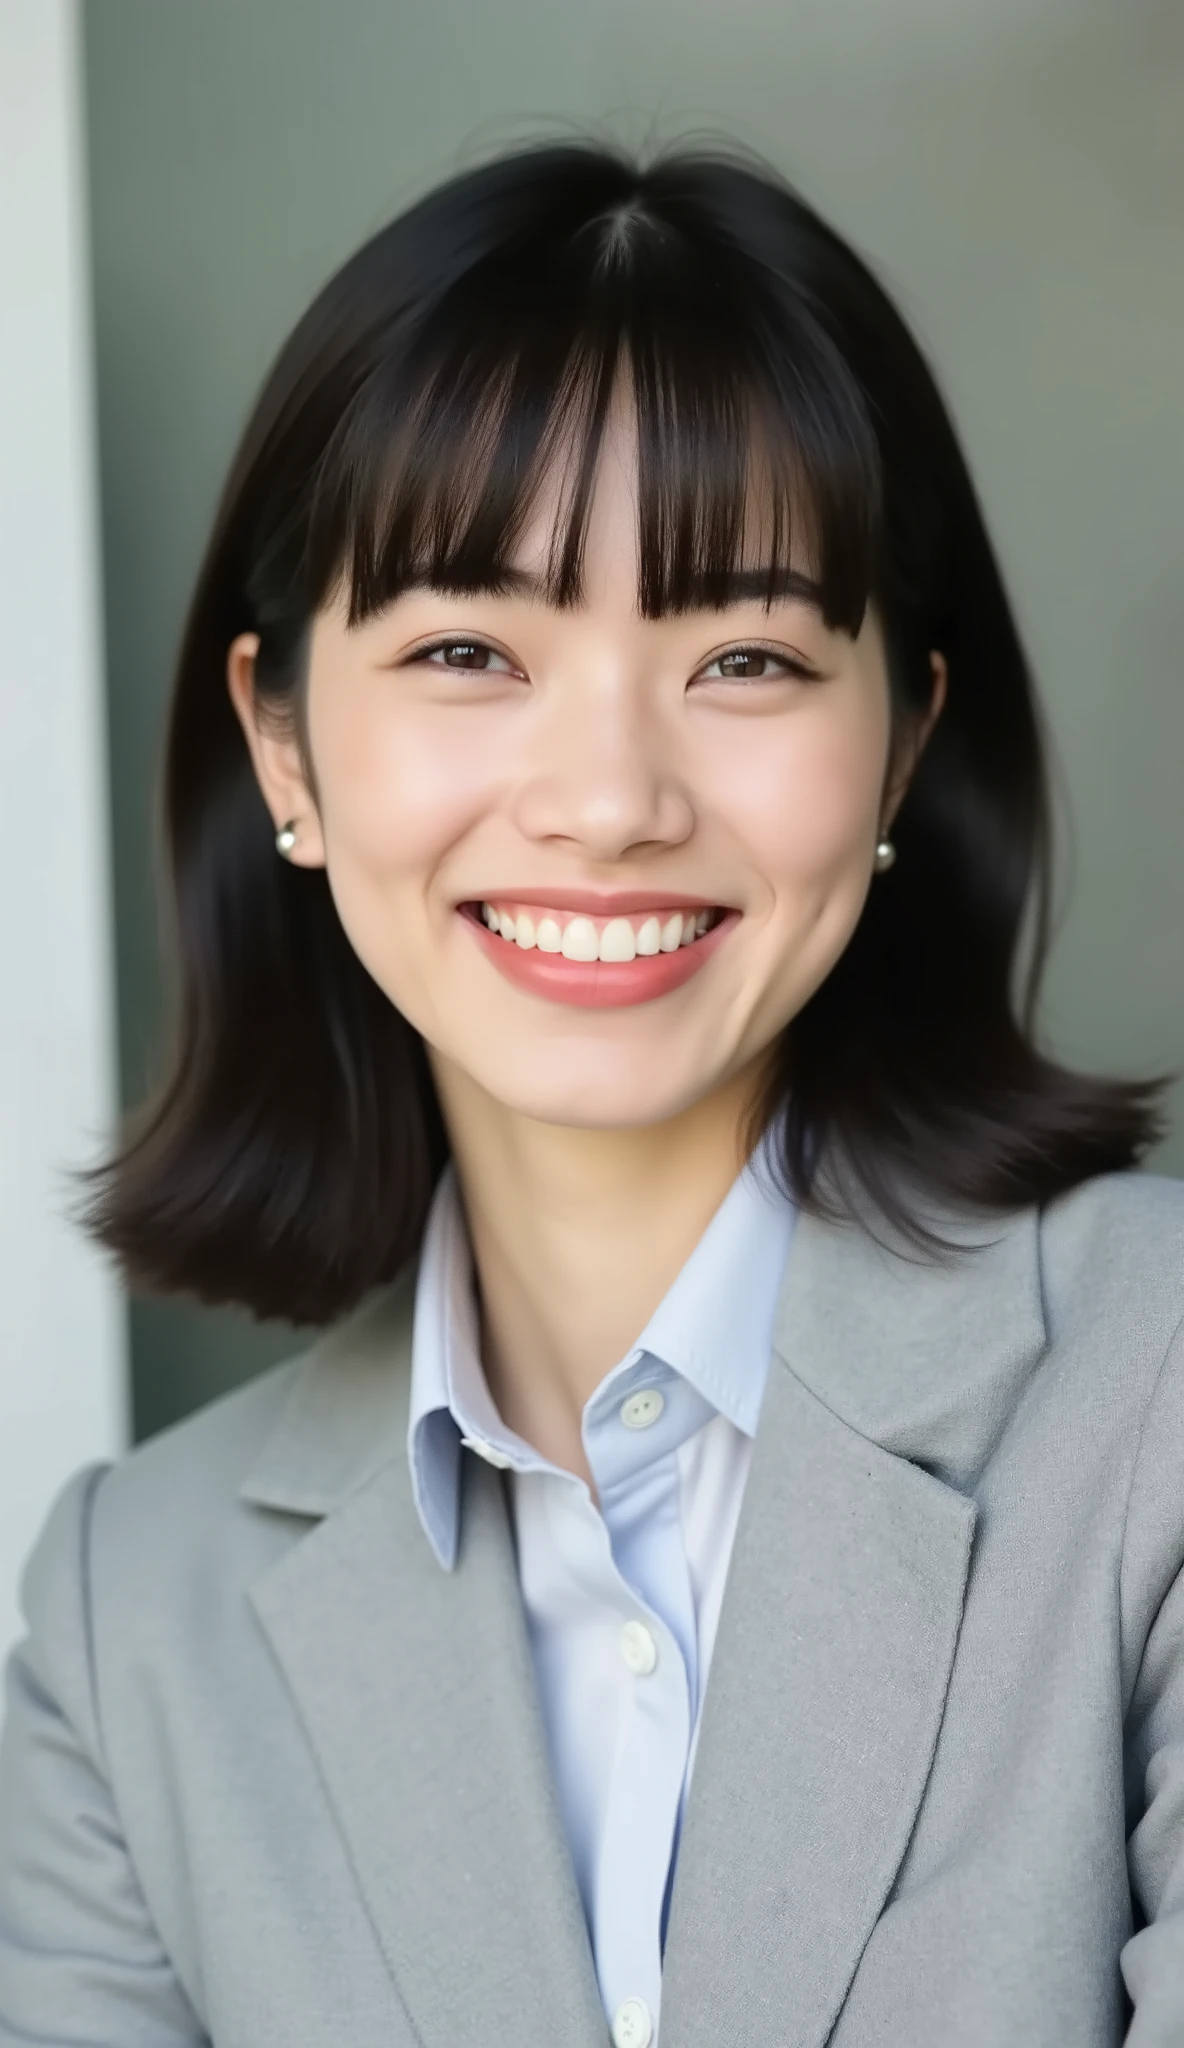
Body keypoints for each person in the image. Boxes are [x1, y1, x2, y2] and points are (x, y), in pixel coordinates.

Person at [0, 139, 1181, 2048]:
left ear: (902, 745)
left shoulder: (1158, 1402)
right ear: (282, 746)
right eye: (468, 650)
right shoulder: (126, 1629)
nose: (612, 801)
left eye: (747, 657)